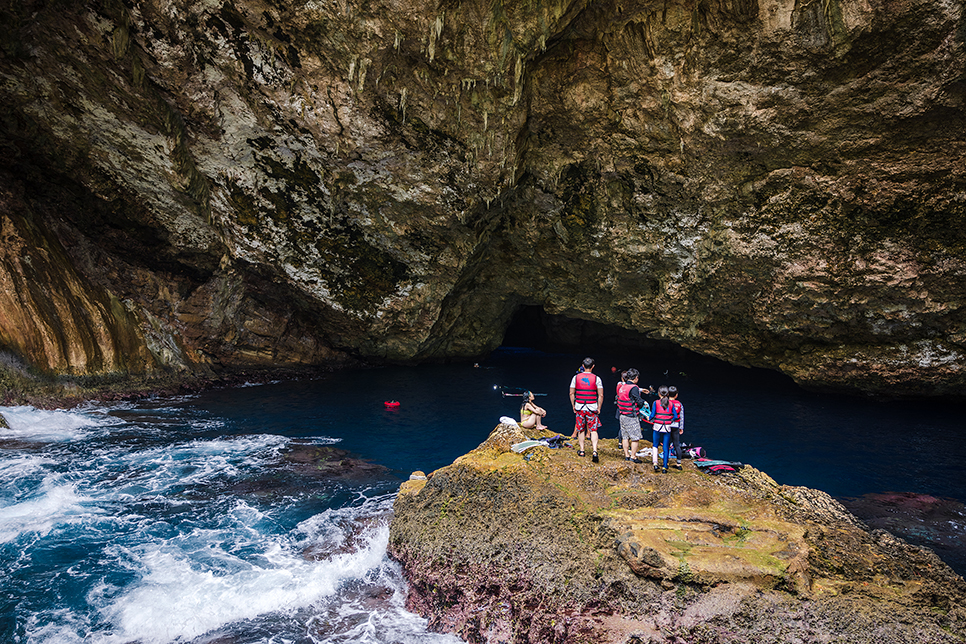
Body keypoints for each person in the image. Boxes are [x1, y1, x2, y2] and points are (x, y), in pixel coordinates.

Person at [569, 357, 603, 463]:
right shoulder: (597, 378)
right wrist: (599, 408)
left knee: (580, 429)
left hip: (579, 406)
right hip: (592, 407)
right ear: (593, 366)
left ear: (583, 366)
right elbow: (600, 395)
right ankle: (594, 451)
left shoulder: (576, 377)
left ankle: (582, 450)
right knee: (593, 430)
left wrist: (573, 405)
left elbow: (571, 393)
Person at [616, 368, 647, 464]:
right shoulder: (634, 388)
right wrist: (643, 403)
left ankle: (626, 455)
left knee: (625, 437)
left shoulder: (622, 386)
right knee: (635, 437)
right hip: (631, 416)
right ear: (636, 378)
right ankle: (633, 457)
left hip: (622, 415)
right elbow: (638, 400)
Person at [646, 385, 676, 473]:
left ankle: (655, 463)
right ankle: (665, 466)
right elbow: (675, 416)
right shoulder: (671, 403)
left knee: (655, 445)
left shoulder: (655, 402)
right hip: (667, 427)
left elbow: (652, 415)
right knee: (665, 447)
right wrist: (670, 420)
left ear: (659, 394)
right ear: (668, 394)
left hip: (657, 426)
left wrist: (650, 418)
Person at [668, 385, 685, 470]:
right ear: (676, 395)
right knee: (676, 444)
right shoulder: (679, 404)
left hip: (666, 425)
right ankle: (679, 464)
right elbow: (681, 416)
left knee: (666, 443)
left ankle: (666, 462)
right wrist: (681, 427)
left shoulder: (664, 402)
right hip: (676, 425)